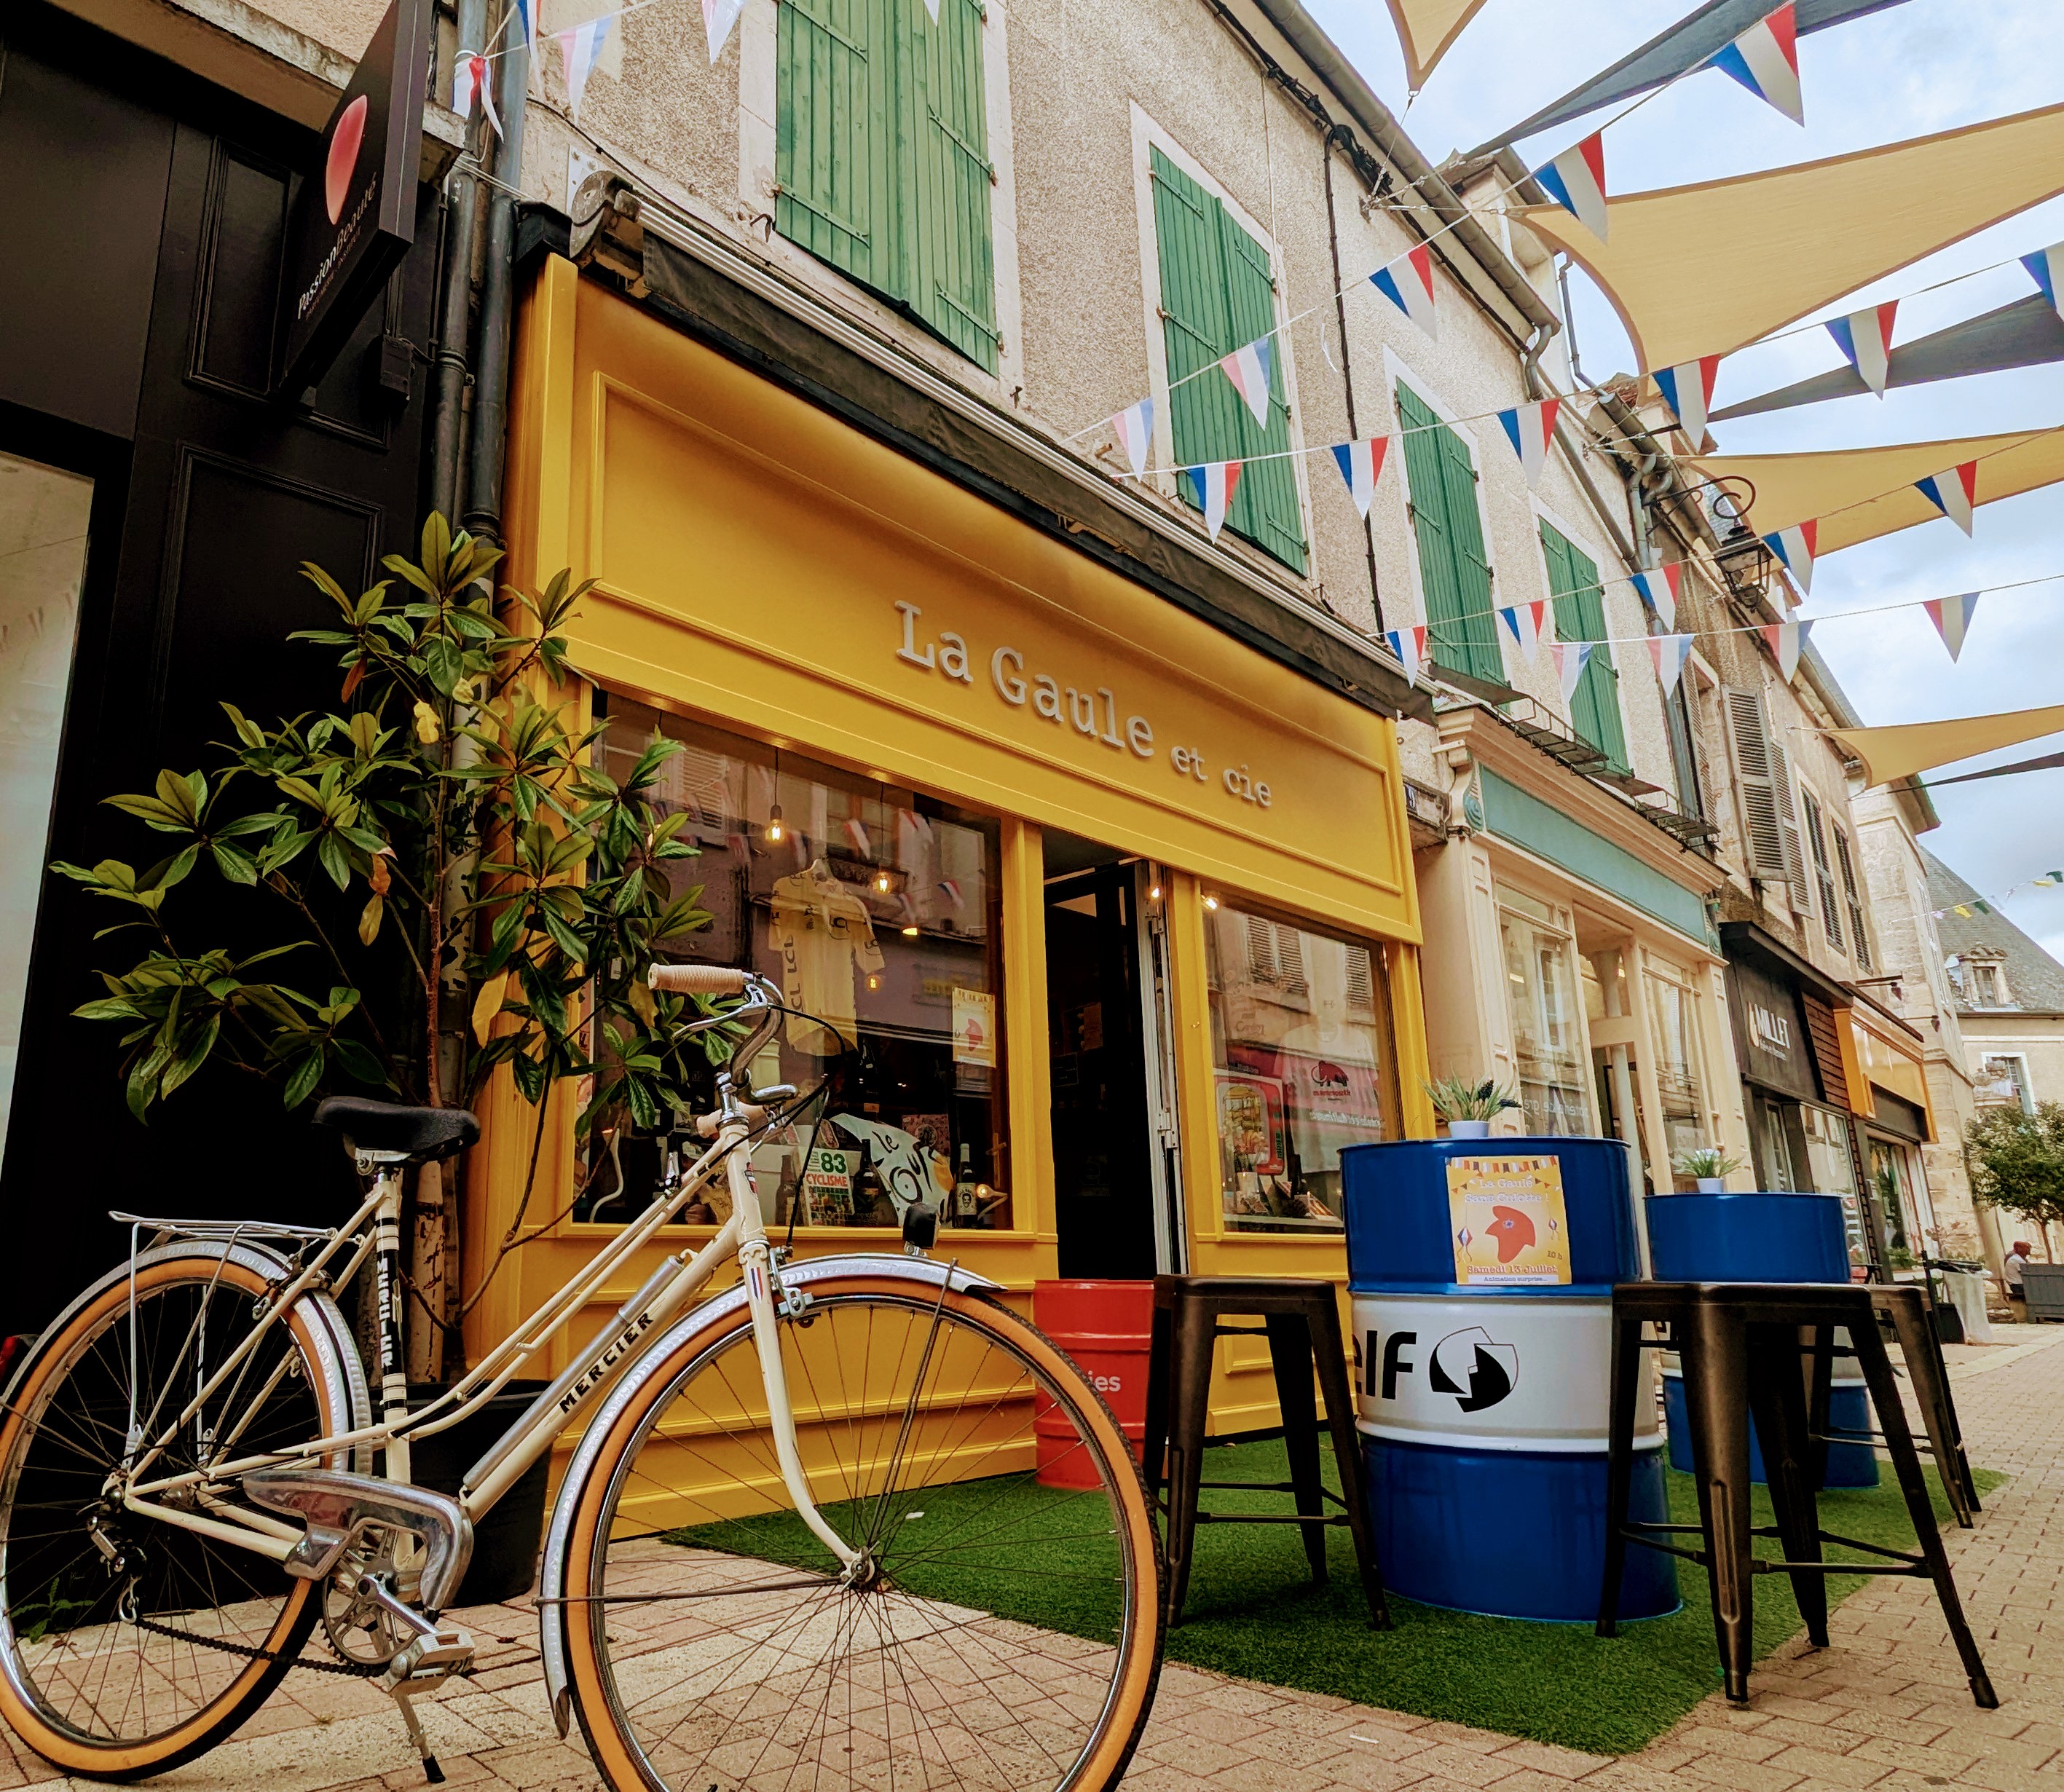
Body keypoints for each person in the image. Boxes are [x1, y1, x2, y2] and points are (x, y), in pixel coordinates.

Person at [2003, 1240, 2033, 1308]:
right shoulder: (2017, 1260)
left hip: (2019, 1284)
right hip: (2018, 1285)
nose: (2028, 1250)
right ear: (2020, 1249)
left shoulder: (2019, 1259)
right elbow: (2026, 1273)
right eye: (2027, 1248)